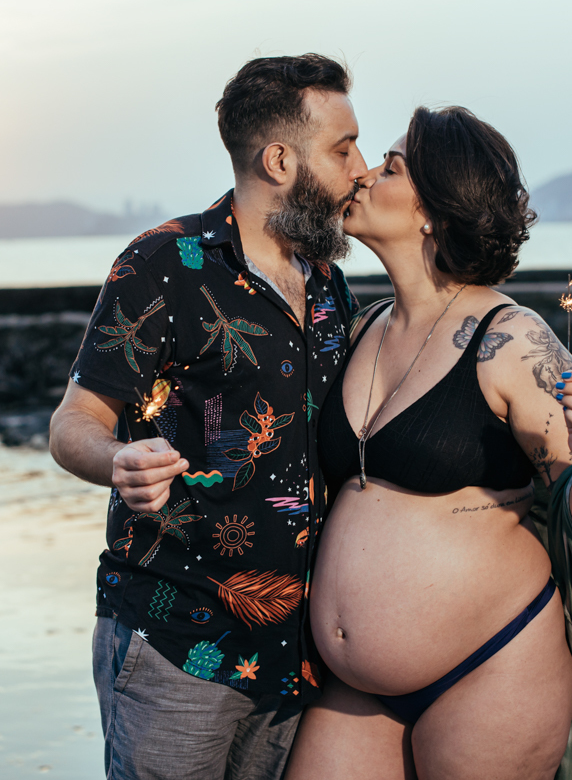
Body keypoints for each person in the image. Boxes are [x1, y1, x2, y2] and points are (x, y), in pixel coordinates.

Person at [284, 106, 572, 780]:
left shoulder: (511, 339)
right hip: (358, 691)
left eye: (390, 167)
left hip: (489, 671)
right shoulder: (361, 326)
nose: (362, 175)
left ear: (435, 211)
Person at [48, 53, 367, 780]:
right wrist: (118, 459)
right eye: (343, 148)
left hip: (294, 654)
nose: (362, 166)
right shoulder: (164, 263)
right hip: (174, 638)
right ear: (281, 159)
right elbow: (73, 423)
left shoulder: (329, 285)